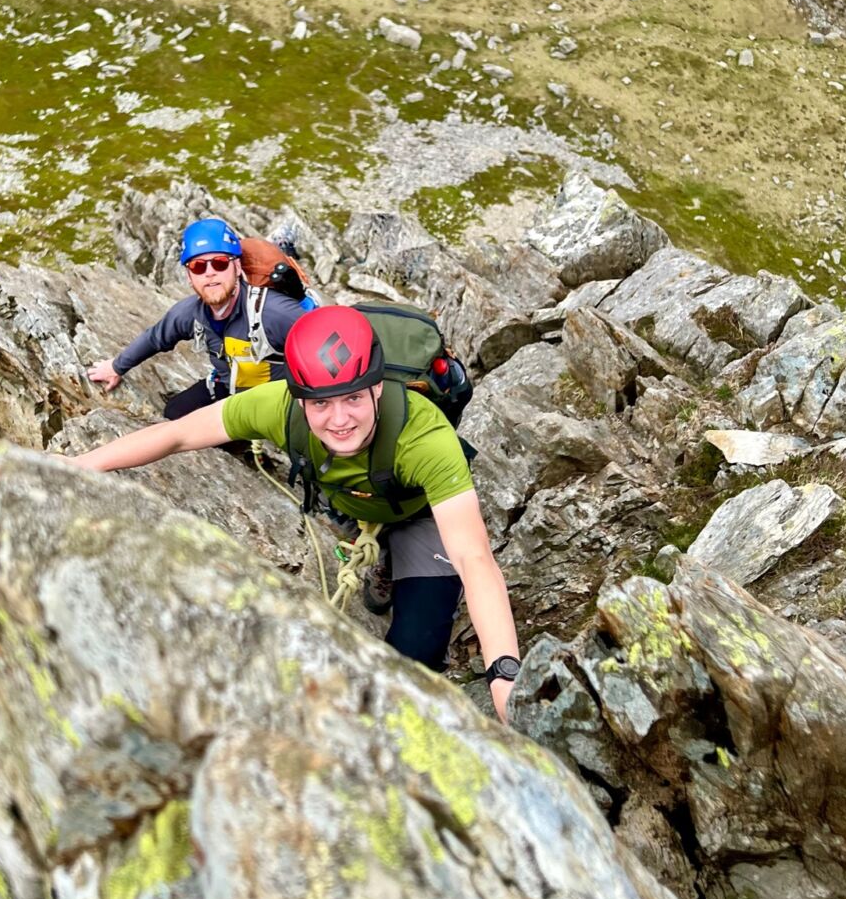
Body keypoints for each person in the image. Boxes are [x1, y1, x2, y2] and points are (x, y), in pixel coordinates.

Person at [73, 305, 522, 721]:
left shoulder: (424, 437)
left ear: (377, 388)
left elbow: (475, 560)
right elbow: (179, 435)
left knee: (414, 660)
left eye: (353, 398)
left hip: (423, 513)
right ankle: (383, 556)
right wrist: (75, 467)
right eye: (321, 403)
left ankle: (395, 557)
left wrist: (504, 675)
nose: (339, 419)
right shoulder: (278, 406)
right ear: (300, 398)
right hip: (347, 499)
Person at [88, 218, 308, 420]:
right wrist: (116, 367)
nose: (210, 273)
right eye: (198, 266)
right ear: (189, 277)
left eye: (220, 263)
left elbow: (323, 342)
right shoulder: (190, 314)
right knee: (176, 414)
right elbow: (155, 338)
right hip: (231, 389)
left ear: (237, 267)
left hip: (280, 399)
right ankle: (240, 444)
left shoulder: (273, 312)